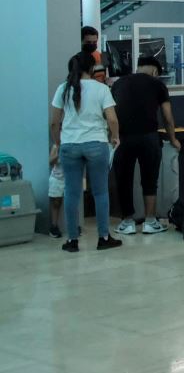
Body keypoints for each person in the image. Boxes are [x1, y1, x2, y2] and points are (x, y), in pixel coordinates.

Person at [49, 51, 121, 252]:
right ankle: (103, 237)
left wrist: (59, 142)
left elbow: (55, 121)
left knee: (71, 193)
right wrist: (114, 136)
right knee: (100, 192)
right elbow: (112, 119)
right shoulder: (101, 89)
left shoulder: (63, 89)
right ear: (91, 69)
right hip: (96, 144)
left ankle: (72, 240)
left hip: (70, 146)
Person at [111, 55, 180, 235]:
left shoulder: (118, 84)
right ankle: (150, 221)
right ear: (155, 71)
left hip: (123, 138)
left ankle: (127, 222)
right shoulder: (158, 85)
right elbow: (167, 116)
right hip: (148, 137)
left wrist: (112, 136)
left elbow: (110, 113)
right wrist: (173, 139)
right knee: (150, 180)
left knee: (123, 179)